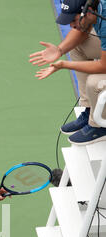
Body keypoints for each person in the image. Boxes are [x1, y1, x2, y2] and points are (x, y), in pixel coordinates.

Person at [29, 0, 106, 145]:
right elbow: (82, 31)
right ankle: (90, 109)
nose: (71, 25)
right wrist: (59, 50)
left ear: (88, 11)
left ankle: (100, 125)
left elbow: (104, 66)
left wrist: (64, 64)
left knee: (94, 83)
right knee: (76, 47)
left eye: (73, 20)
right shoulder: (96, 8)